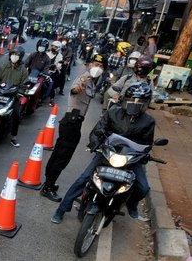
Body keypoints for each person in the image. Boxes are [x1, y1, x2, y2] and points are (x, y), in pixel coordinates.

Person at [52, 82, 156, 223]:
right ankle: (62, 209)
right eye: (132, 100)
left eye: (140, 102)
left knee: (143, 188)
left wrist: (144, 155)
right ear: (125, 99)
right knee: (83, 179)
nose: (135, 104)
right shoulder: (113, 112)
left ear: (146, 104)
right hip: (107, 153)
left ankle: (131, 205)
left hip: (130, 158)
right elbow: (97, 130)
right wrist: (96, 143)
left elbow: (147, 143)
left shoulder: (148, 121)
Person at [40, 54, 107, 202]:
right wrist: (78, 88)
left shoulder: (93, 81)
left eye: (101, 66)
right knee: (63, 156)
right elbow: (75, 90)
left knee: (58, 153)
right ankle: (48, 187)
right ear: (90, 65)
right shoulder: (84, 79)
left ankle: (49, 182)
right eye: (95, 64)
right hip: (71, 122)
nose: (97, 67)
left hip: (73, 122)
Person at [0, 47, 29, 147]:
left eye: (16, 55)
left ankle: (13, 137)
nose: (14, 56)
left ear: (20, 57)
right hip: (0, 93)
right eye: (13, 54)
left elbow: (24, 85)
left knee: (16, 116)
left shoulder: (23, 70)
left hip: (14, 96)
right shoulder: (4, 66)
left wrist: (20, 92)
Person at [45, 41, 64, 106]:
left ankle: (51, 99)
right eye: (52, 46)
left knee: (51, 85)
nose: (53, 47)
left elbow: (59, 66)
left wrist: (56, 67)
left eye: (55, 47)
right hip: (44, 71)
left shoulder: (59, 56)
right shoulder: (47, 53)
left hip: (52, 72)